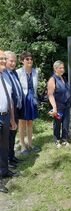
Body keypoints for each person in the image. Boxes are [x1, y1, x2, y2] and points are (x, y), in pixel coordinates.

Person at [0, 50, 18, 193]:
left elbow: (10, 99)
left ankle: (4, 171)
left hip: (6, 116)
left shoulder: (5, 76)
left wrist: (12, 118)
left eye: (4, 59)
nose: (4, 61)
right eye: (1, 59)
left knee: (4, 147)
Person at [16, 52, 40, 155]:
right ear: (22, 61)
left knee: (30, 122)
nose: (30, 61)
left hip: (32, 98)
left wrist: (35, 98)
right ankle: (22, 146)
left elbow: (35, 87)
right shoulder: (18, 72)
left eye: (31, 59)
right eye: (27, 59)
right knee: (22, 123)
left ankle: (30, 144)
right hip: (23, 99)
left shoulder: (36, 72)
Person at [4, 51, 24, 167]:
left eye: (14, 62)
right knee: (7, 137)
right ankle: (7, 160)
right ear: (5, 60)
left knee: (12, 134)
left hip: (15, 109)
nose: (13, 64)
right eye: (11, 61)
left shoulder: (14, 73)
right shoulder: (3, 75)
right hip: (7, 111)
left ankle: (11, 157)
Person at [47, 60, 71, 148]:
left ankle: (64, 139)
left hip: (66, 105)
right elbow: (50, 95)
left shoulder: (63, 78)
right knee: (57, 124)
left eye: (63, 67)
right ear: (55, 69)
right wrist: (54, 108)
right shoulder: (52, 79)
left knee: (65, 123)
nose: (62, 69)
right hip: (58, 106)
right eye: (60, 68)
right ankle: (56, 140)